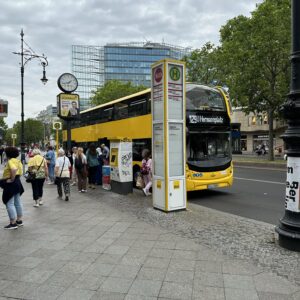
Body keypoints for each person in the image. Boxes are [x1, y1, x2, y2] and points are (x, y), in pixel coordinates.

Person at [1, 147, 24, 230]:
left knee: (9, 203)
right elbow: (20, 171)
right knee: (17, 202)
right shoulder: (18, 161)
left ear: (8, 154)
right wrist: (16, 179)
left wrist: (11, 179)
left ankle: (13, 223)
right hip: (18, 182)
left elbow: (13, 169)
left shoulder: (10, 161)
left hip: (11, 183)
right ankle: (19, 220)